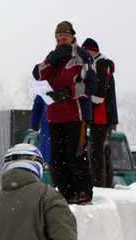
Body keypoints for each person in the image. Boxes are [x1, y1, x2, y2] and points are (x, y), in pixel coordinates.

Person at [33, 21, 96, 204]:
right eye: (58, 39)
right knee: (58, 158)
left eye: (64, 38)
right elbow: (38, 74)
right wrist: (52, 60)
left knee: (75, 154)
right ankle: (66, 193)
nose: (61, 42)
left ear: (72, 38)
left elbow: (90, 85)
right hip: (54, 116)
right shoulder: (53, 57)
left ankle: (83, 191)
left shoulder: (83, 57)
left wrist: (67, 93)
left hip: (76, 115)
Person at [82, 38, 118, 188]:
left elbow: (100, 93)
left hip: (101, 117)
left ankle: (99, 185)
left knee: (96, 152)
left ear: (92, 51)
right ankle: (107, 184)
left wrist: (88, 110)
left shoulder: (100, 66)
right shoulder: (104, 65)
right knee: (104, 151)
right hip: (107, 117)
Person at [30, 95, 51, 164]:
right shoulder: (44, 88)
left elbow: (37, 107)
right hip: (48, 125)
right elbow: (37, 106)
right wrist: (34, 122)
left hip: (48, 125)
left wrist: (34, 122)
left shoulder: (44, 87)